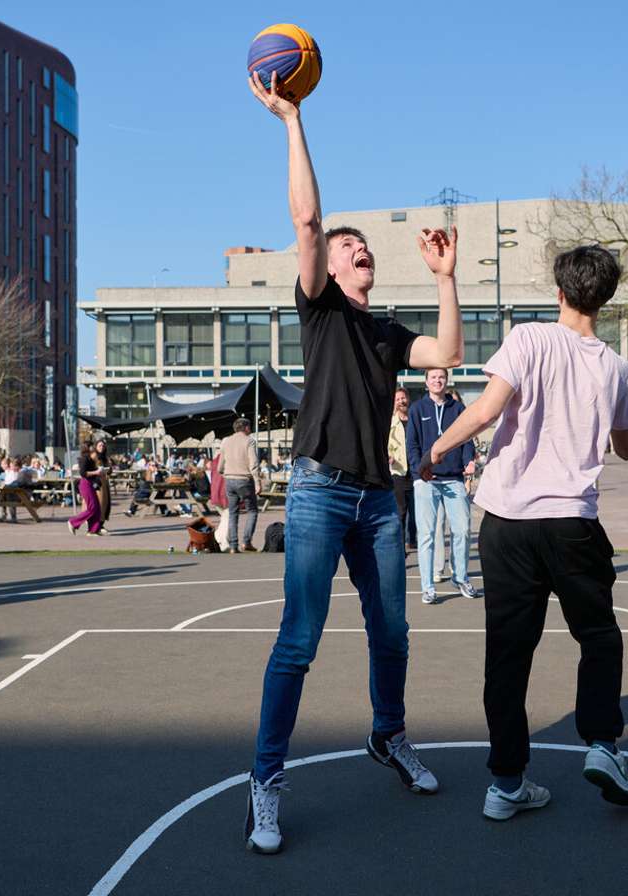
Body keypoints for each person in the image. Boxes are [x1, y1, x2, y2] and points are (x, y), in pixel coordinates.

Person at [244, 69, 465, 853]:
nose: (360, 250)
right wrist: (291, 120)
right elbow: (306, 220)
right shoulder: (322, 309)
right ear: (331, 270)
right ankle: (265, 783)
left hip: (376, 497)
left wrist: (446, 279)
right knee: (298, 640)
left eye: (366, 247)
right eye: (350, 247)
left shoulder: (390, 331)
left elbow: (449, 349)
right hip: (316, 490)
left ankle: (389, 735)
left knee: (394, 633)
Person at [420, 245, 628, 821]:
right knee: (598, 637)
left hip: (507, 522)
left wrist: (437, 449)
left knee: (507, 654)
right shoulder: (619, 368)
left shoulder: (527, 339)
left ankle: (505, 784)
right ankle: (602, 744)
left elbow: (486, 411)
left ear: (559, 292)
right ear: (607, 298)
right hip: (572, 522)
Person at [407, 369, 477, 602]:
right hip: (426, 481)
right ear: (426, 382)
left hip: (454, 479)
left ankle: (460, 577)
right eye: (433, 377)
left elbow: (467, 437)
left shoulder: (457, 409)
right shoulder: (417, 409)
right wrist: (419, 472)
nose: (437, 381)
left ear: (447, 381)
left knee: (463, 530)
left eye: (441, 377)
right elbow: (412, 444)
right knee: (426, 535)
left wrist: (468, 460)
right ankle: (428, 586)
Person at [217, 417, 261, 554]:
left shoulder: (226, 441)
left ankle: (233, 546)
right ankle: (246, 542)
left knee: (233, 512)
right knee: (252, 510)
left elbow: (220, 467)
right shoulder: (249, 441)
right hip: (244, 480)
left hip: (229, 480)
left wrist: (226, 473)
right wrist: (258, 482)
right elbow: (253, 463)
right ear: (246, 428)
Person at [388, 387, 417, 552]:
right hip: (398, 471)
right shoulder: (391, 422)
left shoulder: (414, 419)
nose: (401, 401)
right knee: (401, 511)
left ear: (408, 399)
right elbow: (385, 443)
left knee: (415, 511)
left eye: (403, 398)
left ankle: (411, 539)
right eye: (398, 399)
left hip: (415, 470)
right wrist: (388, 456)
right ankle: (400, 547)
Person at [68, 443, 104, 536]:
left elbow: (93, 472)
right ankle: (73, 522)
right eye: (92, 446)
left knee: (97, 508)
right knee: (92, 508)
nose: (96, 451)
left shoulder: (91, 460)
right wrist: (96, 471)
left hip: (90, 484)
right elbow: (83, 473)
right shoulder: (84, 459)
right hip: (85, 484)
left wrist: (100, 473)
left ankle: (93, 530)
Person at [94, 439, 113, 533]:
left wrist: (109, 468)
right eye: (100, 445)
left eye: (103, 445)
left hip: (104, 483)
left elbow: (110, 470)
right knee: (98, 504)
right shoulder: (94, 456)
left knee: (105, 504)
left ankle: (101, 524)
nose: (102, 447)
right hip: (96, 483)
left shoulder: (106, 457)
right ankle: (95, 525)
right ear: (96, 447)